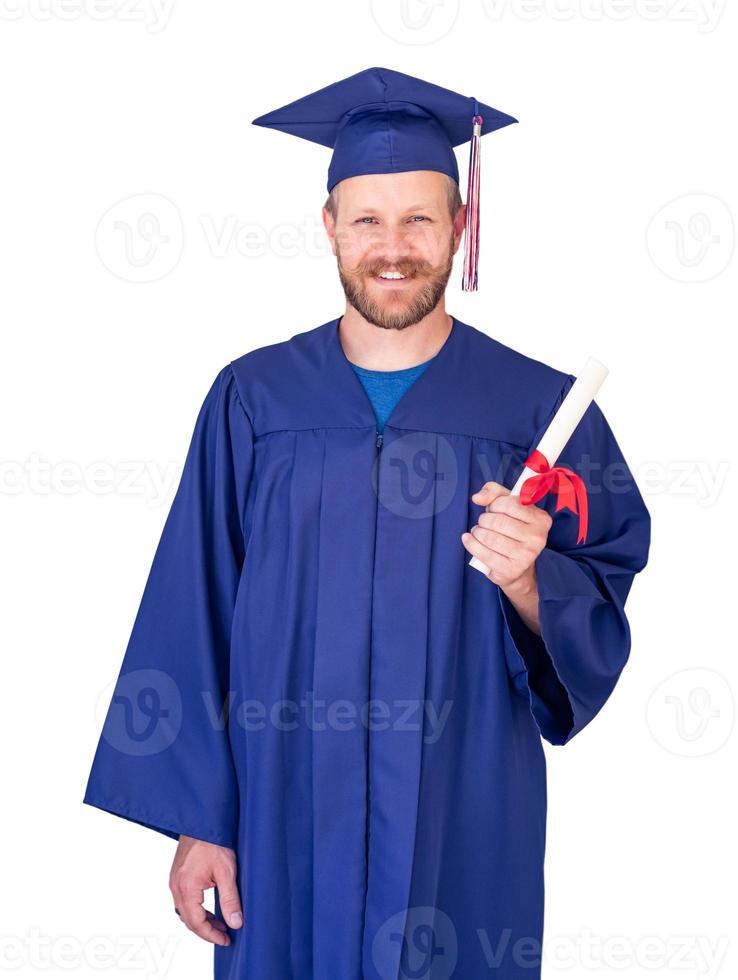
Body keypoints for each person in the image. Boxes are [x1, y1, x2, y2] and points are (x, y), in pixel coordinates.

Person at [84, 66, 651, 979]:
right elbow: (192, 609)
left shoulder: (540, 413)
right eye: (368, 220)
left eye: (421, 219)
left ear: (460, 227)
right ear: (330, 229)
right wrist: (200, 821)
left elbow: (607, 589)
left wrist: (531, 580)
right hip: (280, 811)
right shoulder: (253, 399)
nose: (395, 247)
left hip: (464, 811)